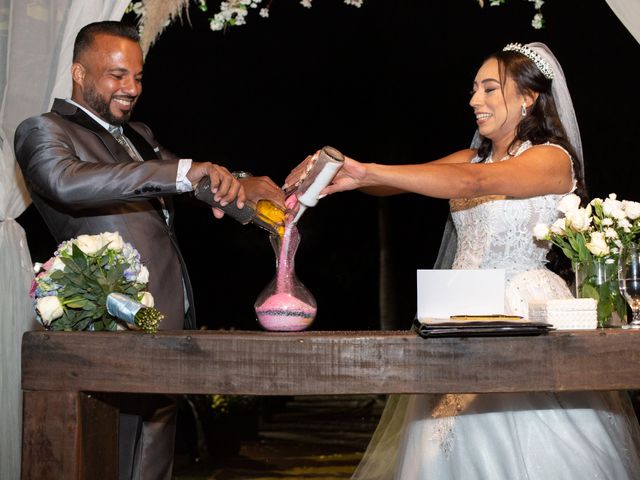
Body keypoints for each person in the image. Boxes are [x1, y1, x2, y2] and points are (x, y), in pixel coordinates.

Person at [286, 42, 640, 478]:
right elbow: (402, 181)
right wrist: (346, 173)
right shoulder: (470, 157)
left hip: (521, 310)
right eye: (474, 90)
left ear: (528, 97)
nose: (475, 100)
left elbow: (473, 183)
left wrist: (370, 170)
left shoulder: (551, 159)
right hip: (455, 312)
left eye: (490, 89)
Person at [14, 21, 284, 480]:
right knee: (108, 457)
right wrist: (184, 172)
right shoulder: (43, 130)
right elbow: (67, 181)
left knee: (154, 461)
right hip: (108, 326)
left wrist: (251, 192)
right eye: (117, 75)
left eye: (138, 77)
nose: (131, 88)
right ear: (79, 73)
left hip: (163, 322)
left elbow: (193, 183)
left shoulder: (139, 134)